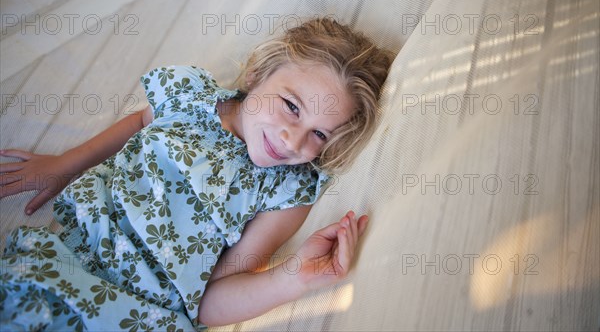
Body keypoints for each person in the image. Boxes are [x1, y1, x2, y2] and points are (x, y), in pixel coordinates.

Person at [0, 17, 393, 330]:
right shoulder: (191, 97)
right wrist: (61, 167)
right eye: (292, 105)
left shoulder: (286, 191)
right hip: (69, 255)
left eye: (319, 134)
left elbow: (209, 302)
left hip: (140, 312)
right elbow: (139, 121)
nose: (293, 140)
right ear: (257, 74)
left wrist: (293, 280)